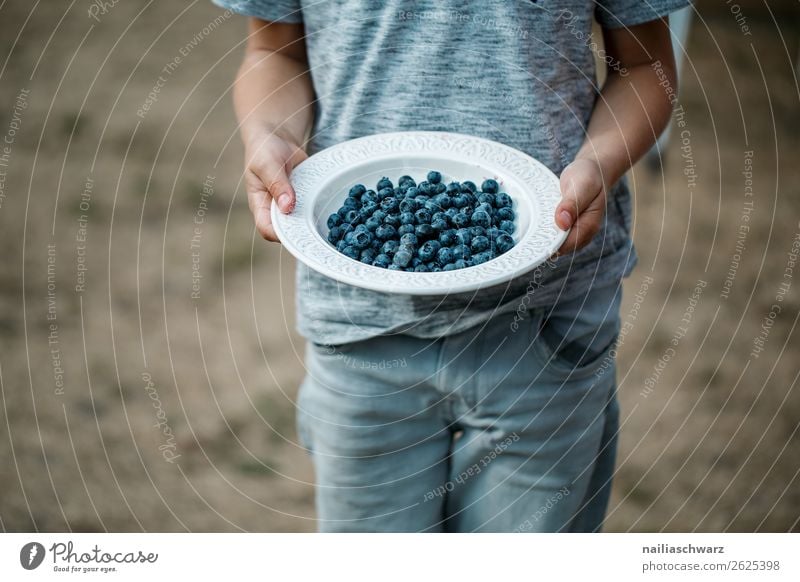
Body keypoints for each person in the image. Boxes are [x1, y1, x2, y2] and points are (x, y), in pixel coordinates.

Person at [215, 0, 689, 532]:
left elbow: (646, 66)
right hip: (361, 330)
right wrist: (268, 135)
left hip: (547, 319)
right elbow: (272, 51)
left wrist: (597, 162)